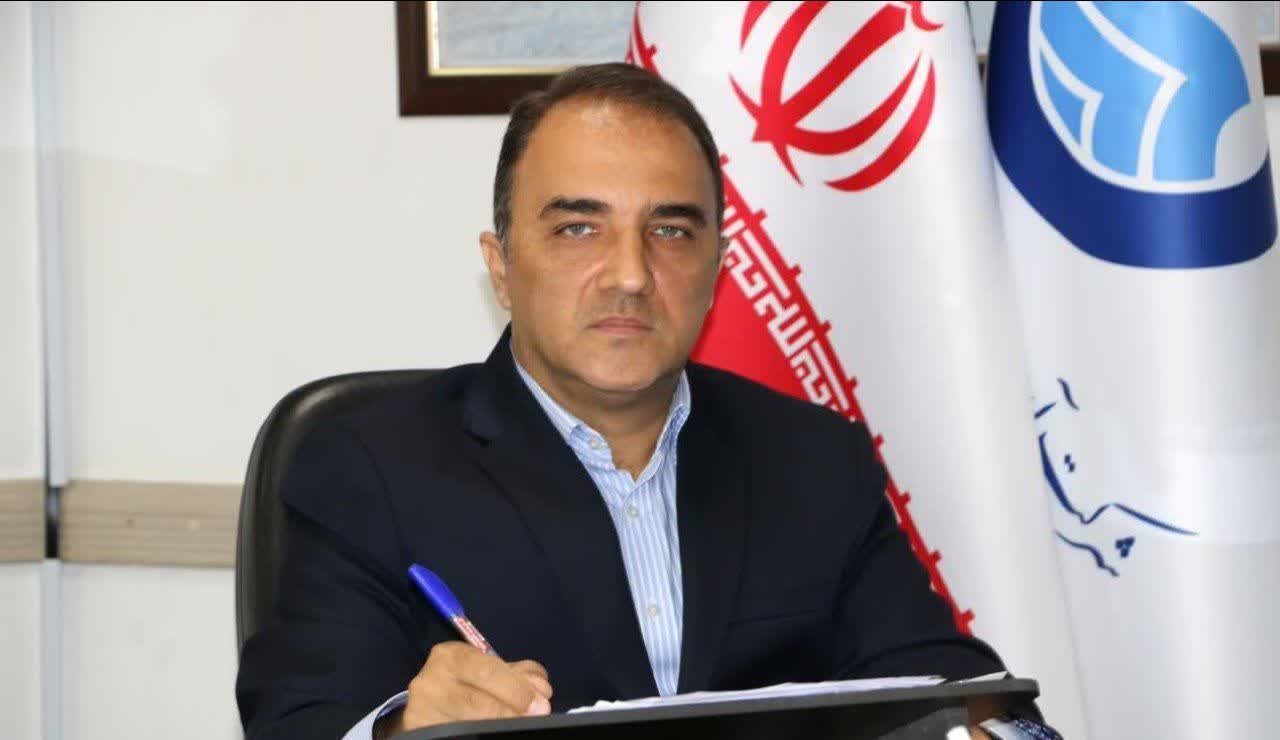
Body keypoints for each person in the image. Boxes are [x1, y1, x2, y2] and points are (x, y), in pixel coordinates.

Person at [235, 63, 1058, 740]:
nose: (630, 274)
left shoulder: (813, 459)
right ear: (501, 266)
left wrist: (992, 732)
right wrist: (399, 728)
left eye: (670, 231)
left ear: (717, 270)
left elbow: (955, 688)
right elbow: (300, 720)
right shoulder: (368, 468)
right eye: (578, 228)